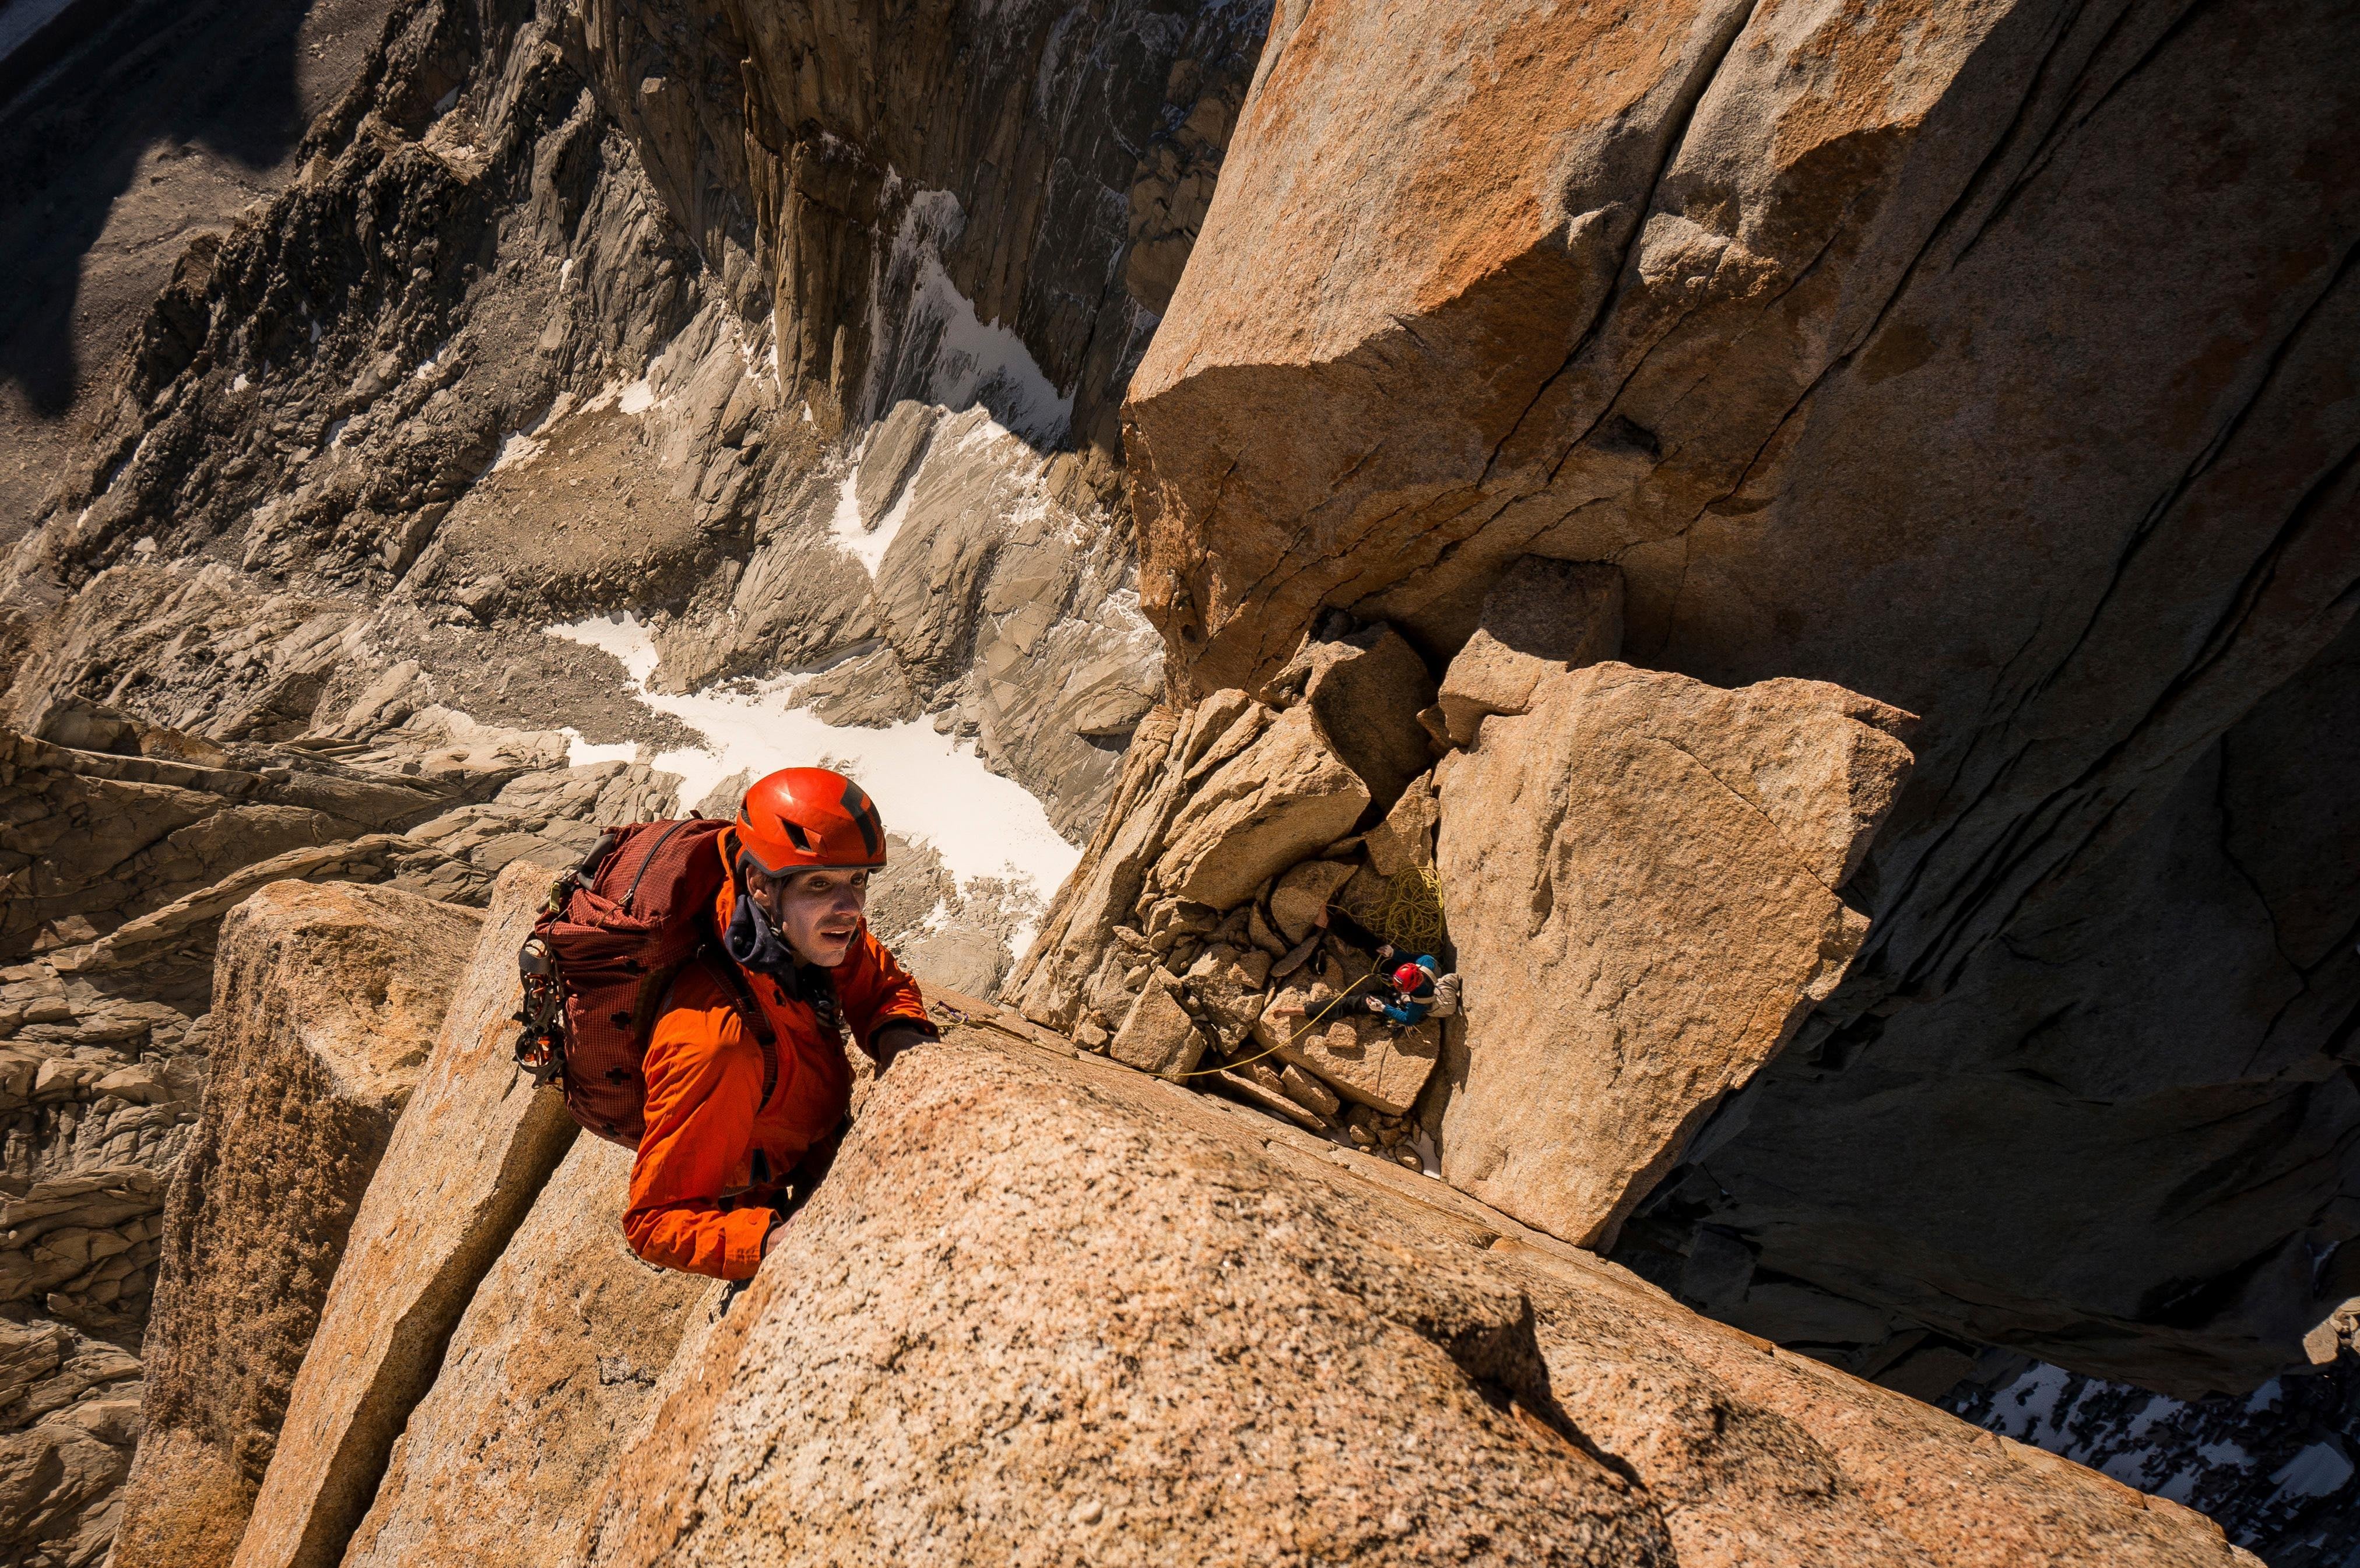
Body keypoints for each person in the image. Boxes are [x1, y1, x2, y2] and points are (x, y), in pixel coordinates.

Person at [623, 767, 936, 1279]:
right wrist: (769, 1242)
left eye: (858, 881)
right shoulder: (715, 1046)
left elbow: (879, 984)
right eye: (820, 884)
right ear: (759, 885)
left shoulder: (805, 933)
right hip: (766, 1202)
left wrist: (905, 1047)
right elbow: (653, 1222)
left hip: (821, 1148)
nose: (850, 909)